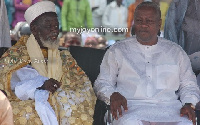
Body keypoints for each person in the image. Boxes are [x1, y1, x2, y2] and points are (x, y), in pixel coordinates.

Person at [94, 2, 200, 125]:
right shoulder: (117, 50)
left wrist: (189, 103)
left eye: (149, 21)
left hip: (170, 110)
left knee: (186, 123)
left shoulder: (176, 52)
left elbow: (189, 85)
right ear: (134, 22)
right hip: (129, 109)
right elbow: (102, 82)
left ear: (159, 24)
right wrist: (112, 95)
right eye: (139, 20)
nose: (143, 25)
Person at [0, 1, 96, 124]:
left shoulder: (64, 57)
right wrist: (39, 86)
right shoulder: (17, 53)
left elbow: (82, 85)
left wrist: (58, 93)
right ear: (34, 29)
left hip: (60, 102)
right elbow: (5, 83)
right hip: (27, 101)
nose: (54, 31)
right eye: (48, 26)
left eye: (56, 26)